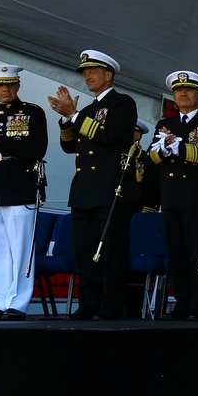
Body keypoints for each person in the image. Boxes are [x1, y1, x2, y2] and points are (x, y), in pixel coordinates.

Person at [47, 49, 138, 321]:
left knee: (112, 250)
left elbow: (109, 137)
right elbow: (68, 145)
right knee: (85, 251)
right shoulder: (86, 110)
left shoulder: (123, 103)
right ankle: (88, 303)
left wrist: (74, 115)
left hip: (111, 189)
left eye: (92, 71)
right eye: (85, 72)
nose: (87, 75)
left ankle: (113, 305)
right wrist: (66, 118)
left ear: (108, 75)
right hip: (84, 190)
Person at [0, 64, 48, 321]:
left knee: (21, 248)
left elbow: (37, 149)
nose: (6, 89)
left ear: (18, 85)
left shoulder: (32, 113)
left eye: (11, 84)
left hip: (21, 185)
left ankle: (18, 303)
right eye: (0, 85)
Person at [147, 71, 198, 320]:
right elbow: (152, 157)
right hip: (171, 198)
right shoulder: (165, 124)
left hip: (197, 197)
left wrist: (176, 147)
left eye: (189, 90)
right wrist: (165, 148)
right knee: (176, 255)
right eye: (178, 90)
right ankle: (181, 303)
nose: (183, 94)